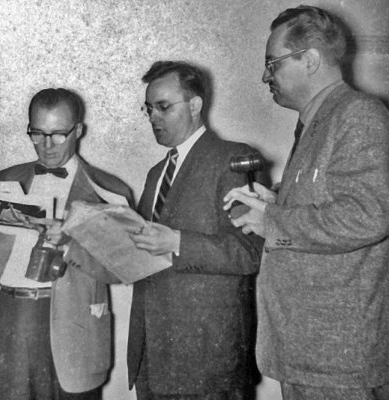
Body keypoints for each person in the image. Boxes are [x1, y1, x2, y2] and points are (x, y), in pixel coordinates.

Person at [223, 5, 389, 400]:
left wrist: (273, 221)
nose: (265, 76)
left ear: (310, 60)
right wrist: (275, 202)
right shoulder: (319, 120)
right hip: (314, 356)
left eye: (273, 63)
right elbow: (331, 203)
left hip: (341, 363)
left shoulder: (359, 115)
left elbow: (367, 217)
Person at [0, 88, 134, 400]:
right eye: (37, 133)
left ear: (78, 130)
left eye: (58, 134)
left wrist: (70, 244)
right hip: (9, 315)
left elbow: (122, 268)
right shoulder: (6, 179)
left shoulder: (108, 190)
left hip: (74, 324)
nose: (47, 146)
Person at [126, 61, 264, 400]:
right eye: (148, 109)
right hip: (152, 354)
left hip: (207, 359)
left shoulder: (234, 158)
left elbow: (248, 252)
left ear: (195, 105)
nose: (153, 117)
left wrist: (177, 242)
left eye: (163, 107)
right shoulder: (156, 173)